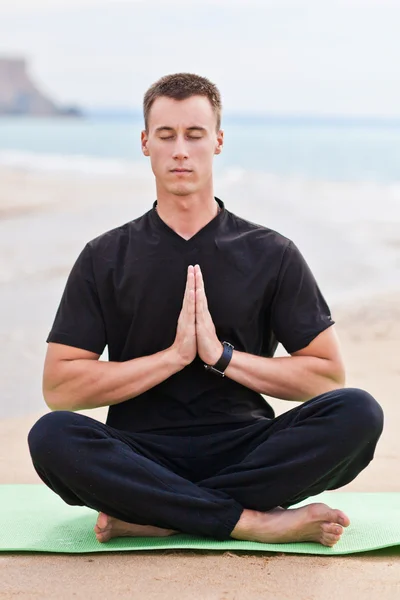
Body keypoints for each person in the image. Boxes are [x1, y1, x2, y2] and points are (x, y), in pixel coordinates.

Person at [28, 73, 384, 548]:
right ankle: (250, 522)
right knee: (52, 436)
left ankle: (156, 513)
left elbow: (325, 378)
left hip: (247, 451)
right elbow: (60, 388)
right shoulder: (105, 256)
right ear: (144, 142)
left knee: (358, 412)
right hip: (141, 453)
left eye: (194, 135)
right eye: (166, 135)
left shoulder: (271, 253)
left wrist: (222, 357)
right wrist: (172, 358)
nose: (180, 150)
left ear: (217, 141)